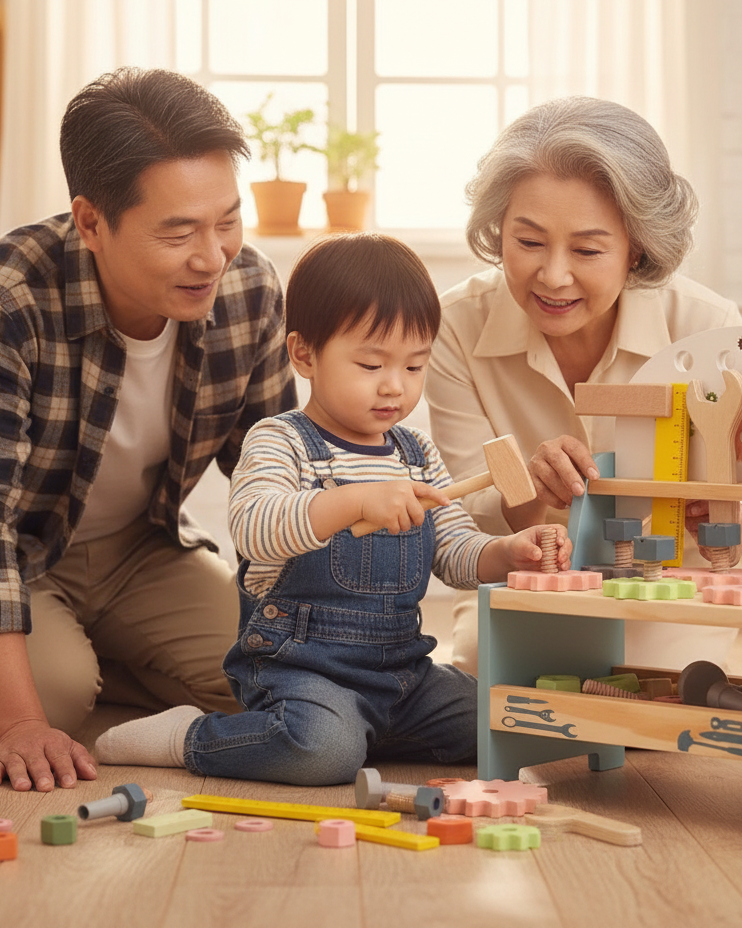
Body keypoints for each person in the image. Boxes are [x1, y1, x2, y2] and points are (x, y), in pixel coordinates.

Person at [0, 67, 298, 793]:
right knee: (53, 702)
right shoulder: (1, 297)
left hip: (143, 551)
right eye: (179, 232)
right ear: (91, 221)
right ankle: (39, 667)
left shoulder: (248, 287)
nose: (213, 256)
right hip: (23, 554)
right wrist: (21, 725)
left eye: (227, 220)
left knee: (271, 668)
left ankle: (99, 662)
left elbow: (274, 476)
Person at [93, 232, 570, 786]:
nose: (395, 386)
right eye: (371, 365)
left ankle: (370, 730)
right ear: (305, 354)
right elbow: (254, 530)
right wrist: (353, 500)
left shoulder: (417, 454)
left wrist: (508, 553)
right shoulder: (281, 441)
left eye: (414, 367)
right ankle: (189, 737)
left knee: (507, 722)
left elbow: (455, 552)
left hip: (403, 674)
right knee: (321, 752)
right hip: (302, 672)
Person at [427, 96, 742, 677]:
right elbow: (468, 516)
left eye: (588, 250)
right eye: (529, 242)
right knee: (487, 691)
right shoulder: (455, 327)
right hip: (525, 584)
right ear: (498, 229)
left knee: (647, 700)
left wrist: (727, 517)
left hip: (672, 591)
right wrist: (530, 491)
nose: (554, 275)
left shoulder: (705, 328)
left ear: (636, 247)